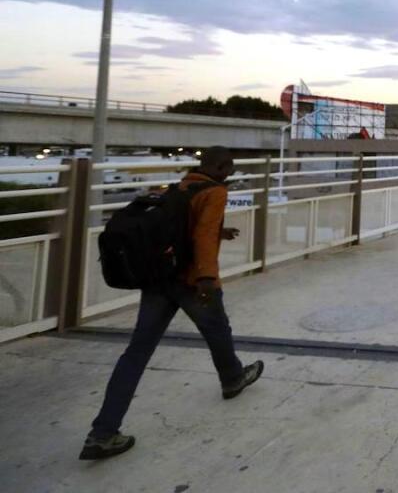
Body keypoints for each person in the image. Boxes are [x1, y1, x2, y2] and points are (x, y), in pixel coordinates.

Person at [80, 146, 264, 461]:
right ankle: (233, 379)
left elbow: (184, 229)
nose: (231, 173)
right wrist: (207, 279)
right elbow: (202, 236)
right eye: (229, 167)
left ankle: (103, 433)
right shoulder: (216, 192)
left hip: (158, 280)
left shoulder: (181, 186)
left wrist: (222, 231)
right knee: (217, 329)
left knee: (136, 353)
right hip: (191, 280)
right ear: (219, 167)